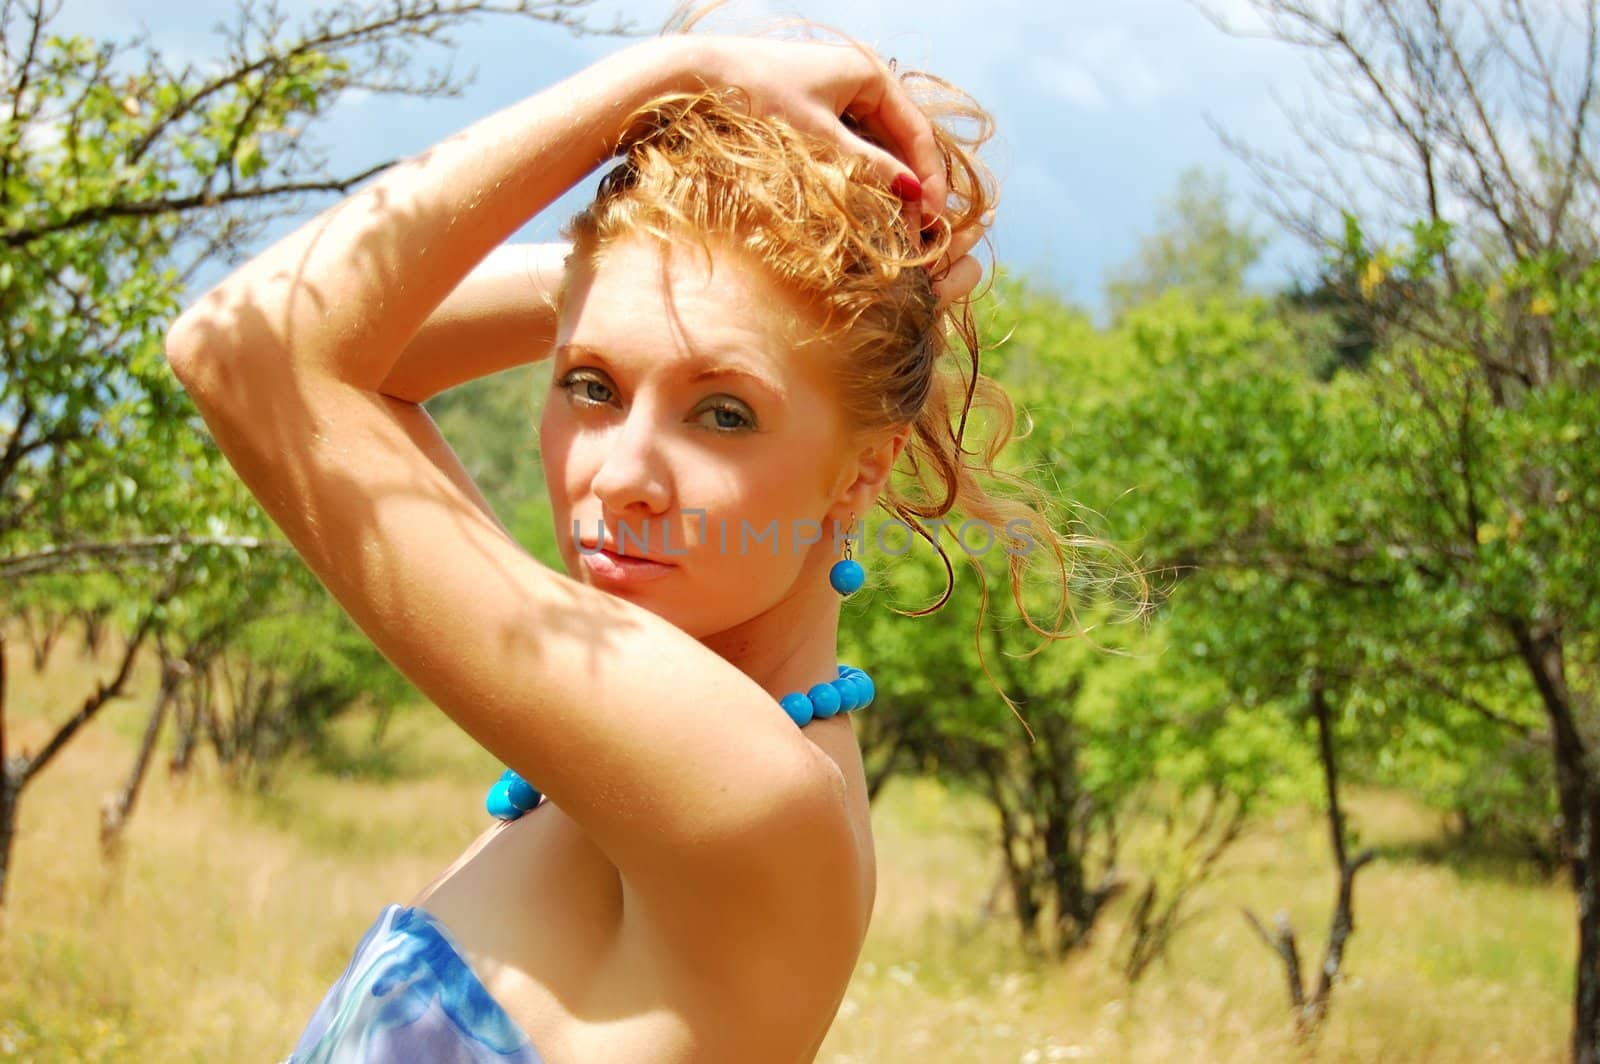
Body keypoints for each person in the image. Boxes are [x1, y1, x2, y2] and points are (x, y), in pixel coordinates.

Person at [165, 7, 1077, 1062]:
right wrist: (651, 257)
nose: (622, 475)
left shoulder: (746, 791)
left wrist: (668, 74)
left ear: (860, 470)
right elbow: (360, 357)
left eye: (723, 412)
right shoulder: (650, 749)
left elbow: (236, 346)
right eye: (591, 385)